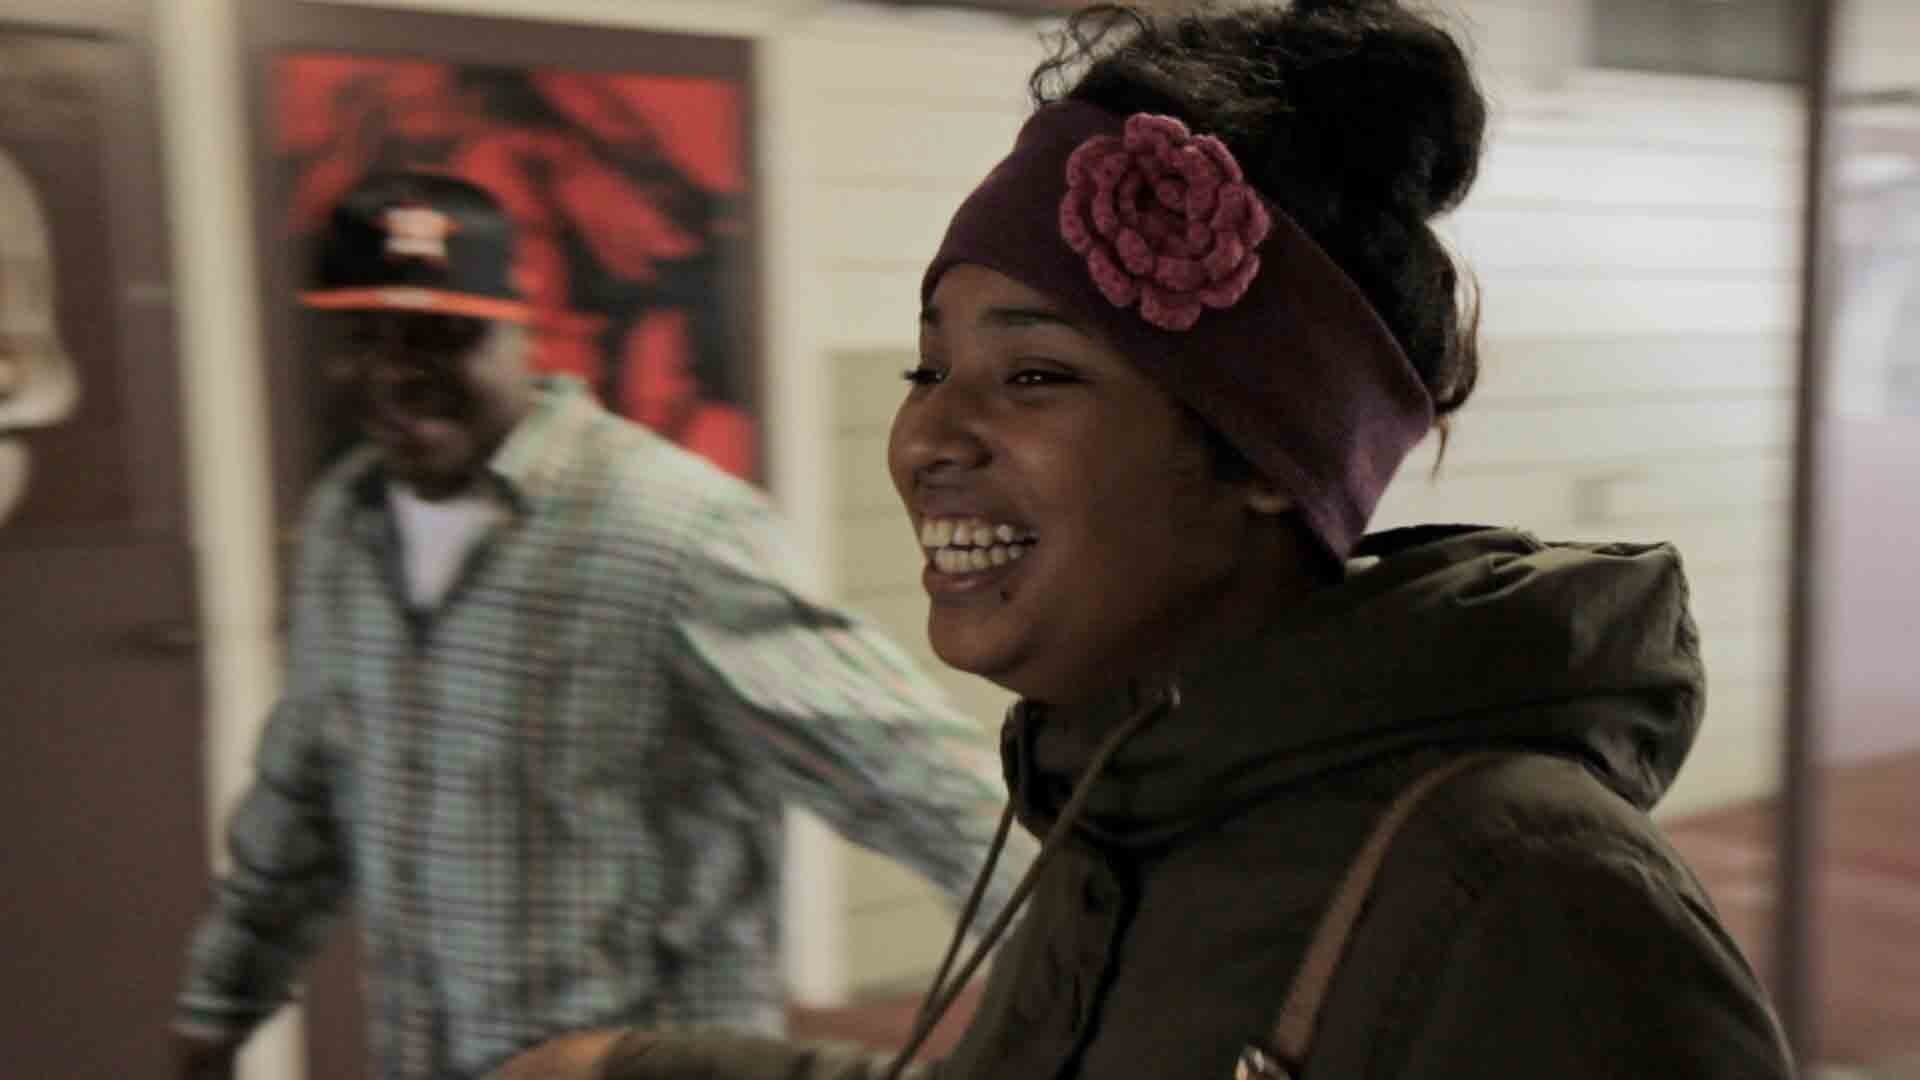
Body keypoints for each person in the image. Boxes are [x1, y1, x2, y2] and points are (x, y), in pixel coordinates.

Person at [489, 1, 1798, 1078]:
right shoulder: (1129, 795)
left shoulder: (1529, 900)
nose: (928, 438)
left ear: (1260, 457)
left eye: (1036, 376)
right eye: (923, 371)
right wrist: (626, 1068)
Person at [170, 169, 1028, 1080]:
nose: (398, 372)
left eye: (441, 333)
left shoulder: (669, 533)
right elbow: (300, 799)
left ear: (522, 332)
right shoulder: (346, 525)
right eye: (365, 337)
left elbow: (924, 789)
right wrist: (219, 1008)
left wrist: (1092, 996)